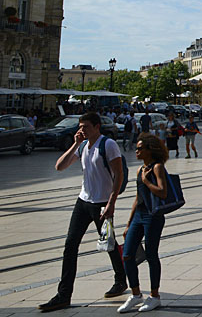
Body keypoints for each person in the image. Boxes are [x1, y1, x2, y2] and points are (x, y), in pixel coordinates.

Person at [39, 113, 127, 313]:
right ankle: (63, 295)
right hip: (83, 202)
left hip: (102, 203)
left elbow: (118, 175)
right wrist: (74, 144)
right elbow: (59, 166)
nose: (82, 130)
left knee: (109, 244)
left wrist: (111, 203)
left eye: (86, 126)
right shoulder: (83, 146)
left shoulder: (109, 144)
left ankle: (121, 280)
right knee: (70, 246)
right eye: (80, 126)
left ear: (97, 126)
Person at [117, 133, 169, 313]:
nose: (136, 151)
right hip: (139, 215)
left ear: (149, 150)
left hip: (153, 216)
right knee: (127, 255)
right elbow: (137, 197)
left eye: (140, 148)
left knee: (151, 255)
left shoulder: (157, 168)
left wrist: (147, 181)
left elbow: (162, 192)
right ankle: (136, 294)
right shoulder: (140, 170)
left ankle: (155, 296)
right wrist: (128, 223)